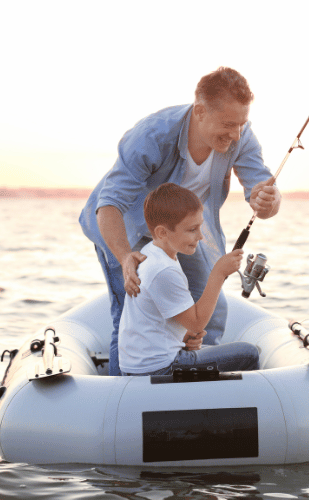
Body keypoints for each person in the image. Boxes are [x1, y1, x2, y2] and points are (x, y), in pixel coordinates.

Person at [79, 67, 281, 375]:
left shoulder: (241, 137)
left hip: (182, 231)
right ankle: (126, 398)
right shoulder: (152, 136)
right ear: (200, 112)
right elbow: (110, 204)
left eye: (241, 124)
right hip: (125, 228)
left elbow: (265, 194)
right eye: (228, 124)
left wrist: (267, 202)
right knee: (128, 316)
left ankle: (195, 391)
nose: (236, 134)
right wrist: (124, 257)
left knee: (209, 309)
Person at [118, 183, 259, 376]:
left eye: (200, 227)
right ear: (162, 233)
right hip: (159, 368)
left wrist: (183, 336)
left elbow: (158, 318)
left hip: (144, 363)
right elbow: (197, 323)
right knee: (248, 353)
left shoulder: (152, 253)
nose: (200, 236)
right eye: (192, 229)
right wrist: (219, 272)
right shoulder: (164, 270)